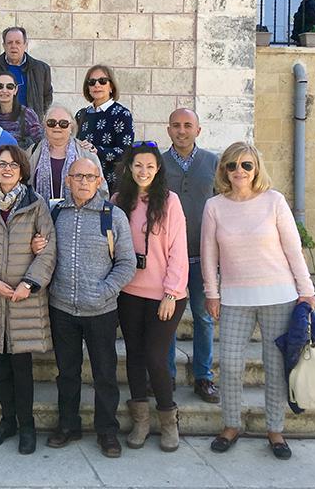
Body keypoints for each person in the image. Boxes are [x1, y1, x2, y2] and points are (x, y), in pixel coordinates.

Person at [202, 142, 315, 460]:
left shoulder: (274, 201)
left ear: (256, 169)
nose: (239, 170)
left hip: (279, 296)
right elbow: (209, 255)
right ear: (224, 170)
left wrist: (306, 290)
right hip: (235, 299)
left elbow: (293, 249)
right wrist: (212, 292)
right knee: (230, 363)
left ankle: (275, 429)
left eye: (246, 165)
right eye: (232, 165)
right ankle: (230, 425)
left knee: (275, 364)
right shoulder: (214, 206)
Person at [45, 158, 135, 458]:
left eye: (90, 176)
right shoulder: (55, 212)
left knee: (105, 374)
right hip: (62, 308)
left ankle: (107, 431)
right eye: (77, 176)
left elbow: (126, 263)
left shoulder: (113, 216)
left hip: (101, 311)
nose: (83, 181)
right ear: (68, 180)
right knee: (67, 372)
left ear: (99, 181)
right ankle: (68, 425)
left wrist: (104, 292)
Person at [0, 145, 56, 455]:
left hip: (24, 298)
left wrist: (29, 284)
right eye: (2, 164)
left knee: (22, 366)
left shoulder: (36, 205)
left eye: (13, 165)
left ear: (22, 170)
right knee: (1, 365)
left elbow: (48, 249)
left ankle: (27, 426)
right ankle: (7, 421)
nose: (7, 169)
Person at [113, 142, 189, 453]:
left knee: (156, 357)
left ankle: (168, 420)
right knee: (134, 356)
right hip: (130, 292)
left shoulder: (170, 202)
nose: (143, 171)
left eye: (150, 166)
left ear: (158, 170)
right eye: (138, 165)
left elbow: (178, 253)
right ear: (129, 168)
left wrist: (171, 293)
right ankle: (141, 420)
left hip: (165, 294)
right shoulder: (119, 201)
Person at [163, 108, 220, 403]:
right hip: (167, 259)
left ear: (198, 130)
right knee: (167, 320)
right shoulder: (157, 165)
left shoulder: (213, 162)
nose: (181, 130)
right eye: (176, 125)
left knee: (203, 317)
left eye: (187, 125)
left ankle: (203, 377)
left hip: (201, 257)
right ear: (168, 129)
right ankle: (166, 375)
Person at [29, 104, 106, 204]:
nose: (57, 126)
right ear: (45, 126)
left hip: (78, 216)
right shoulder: (32, 151)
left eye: (63, 123)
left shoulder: (87, 153)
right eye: (51, 123)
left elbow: (101, 190)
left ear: (71, 127)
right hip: (40, 216)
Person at [75, 64, 134, 192]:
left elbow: (126, 152)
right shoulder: (81, 114)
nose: (97, 85)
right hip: (84, 183)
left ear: (111, 86)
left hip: (111, 182)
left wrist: (98, 151)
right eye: (92, 82)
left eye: (102, 81)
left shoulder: (122, 114)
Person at [0, 27, 52, 118]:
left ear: (25, 45)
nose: (13, 46)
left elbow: (47, 97)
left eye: (18, 42)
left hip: (29, 125)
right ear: (4, 45)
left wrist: (37, 118)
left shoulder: (41, 69)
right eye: (9, 42)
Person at [0, 71, 42, 150]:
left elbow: (40, 142)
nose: (4, 90)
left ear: (15, 90)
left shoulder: (27, 114)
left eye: (9, 86)